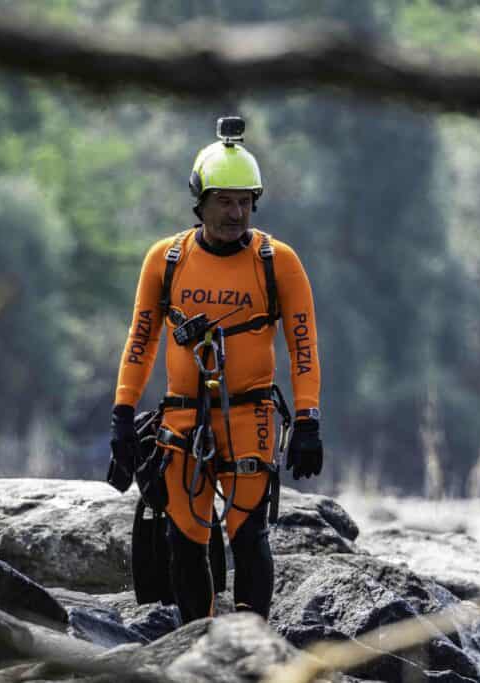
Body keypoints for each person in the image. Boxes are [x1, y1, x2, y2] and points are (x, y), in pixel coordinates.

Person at [109, 117, 323, 623]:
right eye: (225, 201)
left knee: (248, 535)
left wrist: (309, 419)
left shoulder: (279, 262)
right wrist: (122, 413)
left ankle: (250, 647)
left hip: (253, 417)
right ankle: (197, 648)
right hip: (182, 420)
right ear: (200, 202)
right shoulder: (166, 259)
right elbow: (141, 340)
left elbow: (303, 345)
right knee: (184, 538)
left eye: (246, 201)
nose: (237, 212)